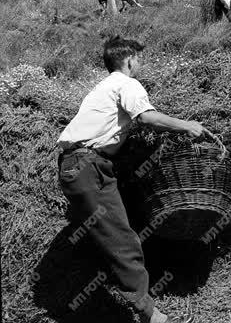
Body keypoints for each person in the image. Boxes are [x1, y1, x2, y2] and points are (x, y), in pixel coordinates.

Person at [56, 37, 215, 323]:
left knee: (110, 236)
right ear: (129, 60)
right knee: (123, 241)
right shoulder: (126, 84)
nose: (140, 64)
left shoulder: (102, 88)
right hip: (88, 166)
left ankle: (131, 307)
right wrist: (187, 126)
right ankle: (151, 316)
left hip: (78, 165)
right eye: (138, 59)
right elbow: (146, 118)